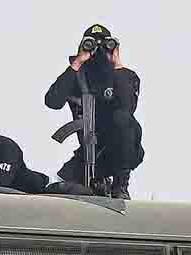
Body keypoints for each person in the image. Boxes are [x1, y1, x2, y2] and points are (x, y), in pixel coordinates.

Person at [45, 24, 144, 199]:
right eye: (92, 43)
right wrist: (77, 62)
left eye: (104, 44)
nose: (98, 49)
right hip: (88, 152)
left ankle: (120, 185)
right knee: (55, 188)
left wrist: (116, 63)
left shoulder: (125, 76)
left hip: (119, 149)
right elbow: (52, 101)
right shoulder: (76, 76)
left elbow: (127, 107)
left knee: (122, 119)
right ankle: (97, 187)